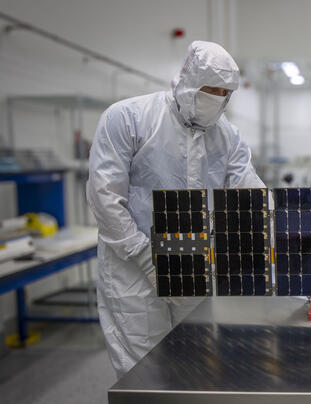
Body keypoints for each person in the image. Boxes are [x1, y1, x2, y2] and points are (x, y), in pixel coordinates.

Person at [86, 41, 264, 377]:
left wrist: (281, 228)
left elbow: (249, 192)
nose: (218, 100)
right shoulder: (128, 118)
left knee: (197, 361)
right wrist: (144, 256)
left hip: (195, 265)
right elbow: (105, 197)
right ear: (187, 82)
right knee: (144, 370)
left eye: (225, 93)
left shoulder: (227, 136)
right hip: (134, 270)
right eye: (210, 91)